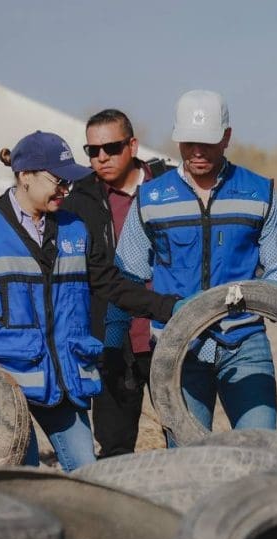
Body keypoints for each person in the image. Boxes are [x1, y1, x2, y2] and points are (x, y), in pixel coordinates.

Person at [0, 131, 180, 471]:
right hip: (7, 381)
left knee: (86, 470)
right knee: (23, 475)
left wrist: (169, 307)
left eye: (69, 181)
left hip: (64, 379)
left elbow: (112, 284)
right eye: (58, 180)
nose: (65, 189)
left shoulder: (75, 229)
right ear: (24, 176)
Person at [109, 90, 277, 441]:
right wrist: (114, 347)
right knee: (187, 462)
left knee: (261, 455)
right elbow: (128, 278)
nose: (197, 152)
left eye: (208, 142)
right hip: (177, 348)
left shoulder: (260, 192)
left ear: (227, 136)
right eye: (188, 142)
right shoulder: (151, 198)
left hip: (244, 342)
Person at [62, 109, 171, 458]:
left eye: (111, 147)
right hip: (111, 341)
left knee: (183, 440)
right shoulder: (78, 201)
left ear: (133, 145)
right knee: (114, 448)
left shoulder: (171, 188)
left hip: (169, 330)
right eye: (92, 151)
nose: (102, 157)